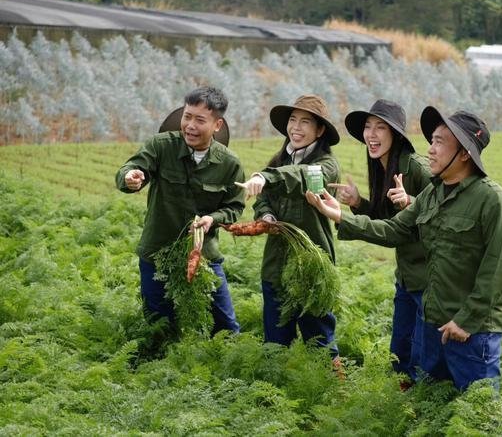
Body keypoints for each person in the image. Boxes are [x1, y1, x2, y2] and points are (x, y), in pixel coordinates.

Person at [306, 107, 502, 390]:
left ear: (465, 153)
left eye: (440, 142)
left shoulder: (492, 201)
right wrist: (340, 215)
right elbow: (393, 229)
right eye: (431, 141)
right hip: (433, 324)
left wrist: (464, 322)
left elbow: (498, 269)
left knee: (479, 416)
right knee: (431, 405)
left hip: (471, 332)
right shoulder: (433, 193)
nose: (430, 150)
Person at [115, 86, 244, 335]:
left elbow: (234, 207)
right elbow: (133, 167)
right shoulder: (161, 147)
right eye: (187, 116)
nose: (190, 125)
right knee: (160, 324)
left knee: (225, 326)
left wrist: (212, 219)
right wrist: (130, 177)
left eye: (199, 120)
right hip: (157, 252)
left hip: (203, 255)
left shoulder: (230, 164)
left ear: (217, 125)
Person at [235, 94, 341, 358]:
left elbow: (303, 177)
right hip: (276, 266)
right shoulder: (279, 161)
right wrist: (267, 216)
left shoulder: (326, 166)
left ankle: (333, 392)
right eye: (293, 120)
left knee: (320, 343)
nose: (296, 127)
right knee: (275, 343)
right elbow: (264, 200)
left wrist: (265, 177)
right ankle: (275, 392)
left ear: (320, 130)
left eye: (305, 122)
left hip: (312, 268)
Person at [331, 99, 431, 380]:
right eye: (367, 127)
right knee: (400, 354)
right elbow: (384, 221)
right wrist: (358, 202)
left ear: (396, 134)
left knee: (422, 359)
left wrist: (411, 200)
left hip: (430, 279)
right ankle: (402, 411)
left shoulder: (417, 168)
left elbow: (444, 209)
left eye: (380, 128)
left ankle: (421, 414)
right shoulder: (383, 167)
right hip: (407, 276)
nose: (371, 135)